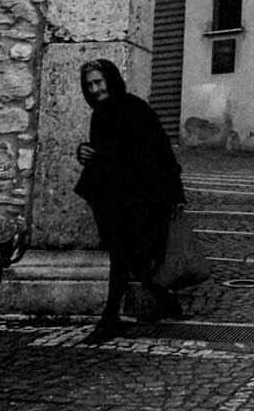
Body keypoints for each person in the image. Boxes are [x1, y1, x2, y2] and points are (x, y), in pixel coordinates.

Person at [74, 58, 185, 342]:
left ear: (111, 79)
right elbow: (102, 154)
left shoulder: (135, 108)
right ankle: (164, 300)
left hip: (141, 197)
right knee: (128, 257)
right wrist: (84, 152)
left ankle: (110, 319)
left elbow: (158, 151)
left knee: (123, 256)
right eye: (90, 85)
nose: (96, 89)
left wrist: (175, 194)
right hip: (117, 198)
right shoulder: (100, 113)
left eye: (99, 82)